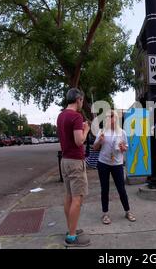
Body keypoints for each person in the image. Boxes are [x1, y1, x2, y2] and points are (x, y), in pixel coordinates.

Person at [57, 88, 91, 247]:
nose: (82, 103)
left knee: (69, 196)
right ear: (78, 99)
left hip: (64, 160)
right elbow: (79, 141)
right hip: (76, 162)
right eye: (82, 101)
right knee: (77, 199)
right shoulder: (76, 116)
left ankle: (71, 228)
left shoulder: (61, 115)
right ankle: (71, 236)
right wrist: (86, 130)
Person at [93, 110, 136, 225]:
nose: (109, 119)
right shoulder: (102, 131)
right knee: (105, 189)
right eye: (107, 117)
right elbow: (95, 147)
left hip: (117, 163)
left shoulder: (121, 132)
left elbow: (125, 147)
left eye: (111, 117)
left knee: (121, 189)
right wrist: (100, 142)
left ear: (116, 118)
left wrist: (123, 147)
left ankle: (128, 211)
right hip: (103, 163)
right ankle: (105, 214)